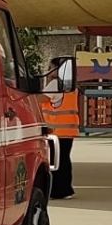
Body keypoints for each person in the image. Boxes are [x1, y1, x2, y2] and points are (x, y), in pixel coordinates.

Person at [41, 60, 81, 201]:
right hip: (68, 130)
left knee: (55, 162)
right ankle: (66, 189)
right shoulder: (71, 86)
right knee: (64, 160)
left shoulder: (55, 84)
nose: (49, 71)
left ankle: (57, 191)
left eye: (51, 68)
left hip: (55, 130)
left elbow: (40, 99)